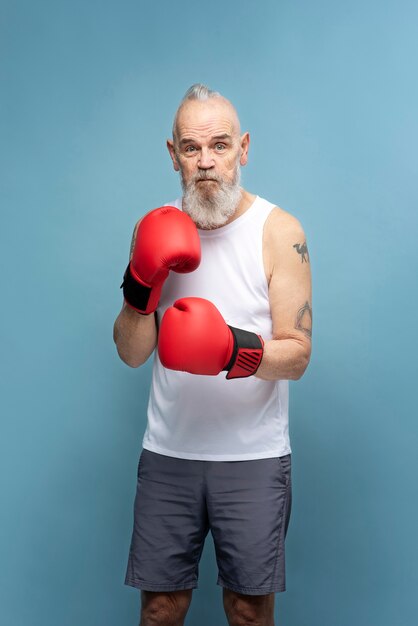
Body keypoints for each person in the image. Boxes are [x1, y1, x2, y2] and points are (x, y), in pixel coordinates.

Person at [113, 84, 312, 626]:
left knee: (248, 613)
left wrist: (230, 349)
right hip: (168, 453)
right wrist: (140, 287)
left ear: (242, 149)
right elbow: (133, 353)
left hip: (253, 457)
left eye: (220, 146)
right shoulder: (152, 229)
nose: (206, 162)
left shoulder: (278, 231)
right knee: (159, 610)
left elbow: (297, 355)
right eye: (192, 148)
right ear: (173, 154)